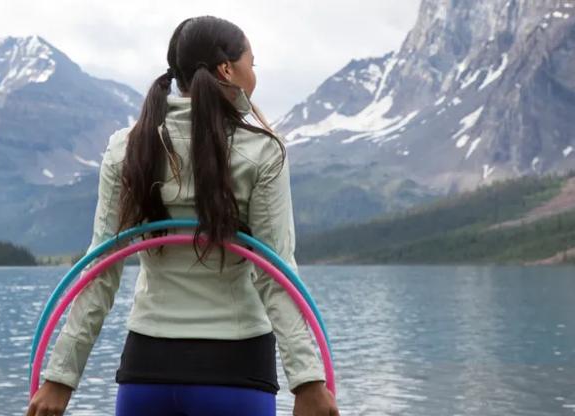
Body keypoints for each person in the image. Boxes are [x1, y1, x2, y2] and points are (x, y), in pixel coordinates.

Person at [25, 15, 340, 416]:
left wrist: (60, 380)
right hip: (236, 371)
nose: (253, 74)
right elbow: (277, 273)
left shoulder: (128, 146)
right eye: (252, 64)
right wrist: (308, 381)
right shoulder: (261, 151)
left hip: (147, 373)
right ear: (228, 69)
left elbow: (99, 269)